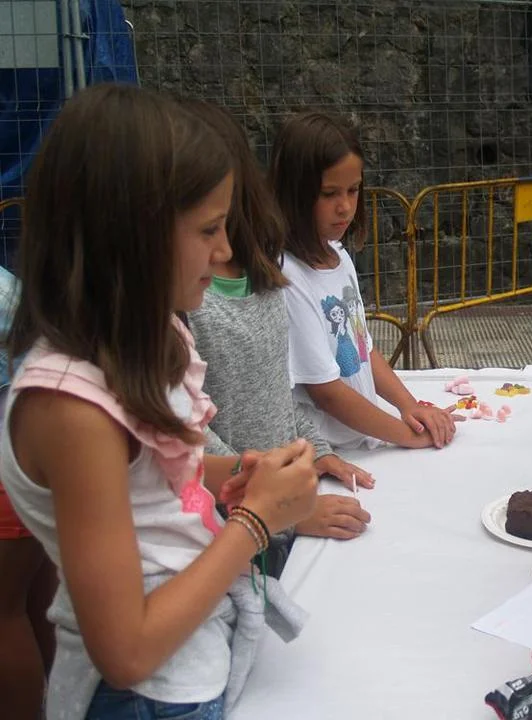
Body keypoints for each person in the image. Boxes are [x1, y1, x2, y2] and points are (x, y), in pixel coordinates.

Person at [0, 83, 319, 719]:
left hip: (191, 662)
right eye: (208, 228)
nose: (225, 249)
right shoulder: (71, 409)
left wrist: (244, 471)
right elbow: (127, 650)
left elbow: (151, 478)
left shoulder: (147, 338)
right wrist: (255, 522)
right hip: (143, 696)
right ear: (132, 235)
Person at [182, 100, 372, 550]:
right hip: (236, 527)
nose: (223, 247)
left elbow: (276, 397)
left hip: (272, 515)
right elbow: (187, 446)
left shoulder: (264, 277)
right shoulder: (181, 308)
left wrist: (315, 450)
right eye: (208, 228)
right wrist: (281, 508)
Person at [271, 111, 459, 451]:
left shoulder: (338, 256)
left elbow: (363, 347)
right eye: (329, 193)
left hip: (359, 440)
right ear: (293, 193)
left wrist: (409, 406)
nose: (345, 207)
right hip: (324, 453)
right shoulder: (287, 276)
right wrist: (407, 435)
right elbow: (326, 392)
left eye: (353, 190)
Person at [0, 265, 55, 720]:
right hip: (33, 460)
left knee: (5, 613)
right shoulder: (8, 286)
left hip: (10, 465)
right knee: (36, 602)